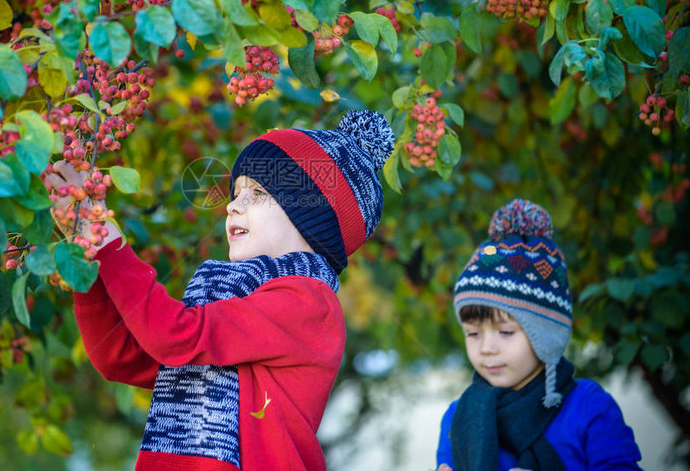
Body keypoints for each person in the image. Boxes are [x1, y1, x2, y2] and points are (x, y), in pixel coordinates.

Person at [47, 110, 394, 471]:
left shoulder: (309, 302)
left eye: (256, 193)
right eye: (236, 193)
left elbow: (175, 335)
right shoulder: (234, 295)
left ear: (311, 218)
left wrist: (107, 240)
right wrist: (88, 256)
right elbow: (119, 356)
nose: (232, 205)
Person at [435, 199, 643, 471]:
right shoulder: (458, 418)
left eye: (506, 331)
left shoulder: (588, 409)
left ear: (546, 334)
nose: (487, 348)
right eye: (473, 333)